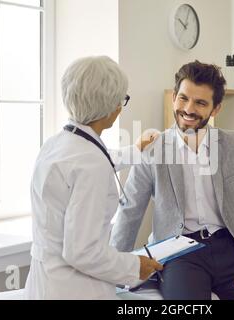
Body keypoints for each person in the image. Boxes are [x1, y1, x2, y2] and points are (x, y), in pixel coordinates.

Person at [110, 60, 234, 300]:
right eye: (183, 98)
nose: (188, 109)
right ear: (174, 97)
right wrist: (114, 268)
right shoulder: (153, 149)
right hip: (178, 252)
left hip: (233, 248)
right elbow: (130, 210)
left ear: (216, 109)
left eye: (200, 103)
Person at [24, 56, 163, 300]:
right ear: (112, 107)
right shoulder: (91, 164)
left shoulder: (57, 144)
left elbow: (90, 159)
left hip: (44, 280)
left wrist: (136, 149)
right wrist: (134, 266)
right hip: (74, 288)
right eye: (122, 100)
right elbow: (83, 252)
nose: (121, 107)